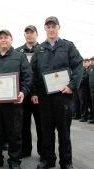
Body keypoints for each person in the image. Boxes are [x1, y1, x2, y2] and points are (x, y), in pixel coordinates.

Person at [31, 16, 83, 169]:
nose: (51, 29)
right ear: (45, 29)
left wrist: (72, 86)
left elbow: (79, 66)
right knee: (46, 130)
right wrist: (34, 92)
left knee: (64, 132)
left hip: (63, 96)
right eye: (48, 27)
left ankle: (66, 162)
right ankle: (48, 159)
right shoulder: (39, 49)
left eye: (54, 26)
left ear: (59, 28)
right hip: (45, 97)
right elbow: (32, 72)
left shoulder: (68, 46)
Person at [0, 29, 32, 169]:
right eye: (0, 37)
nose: (3, 40)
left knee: (14, 132)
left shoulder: (19, 57)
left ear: (11, 40)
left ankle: (14, 161)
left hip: (13, 103)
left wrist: (23, 91)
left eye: (6, 37)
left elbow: (28, 76)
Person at [16, 25, 42, 159]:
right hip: (24, 94)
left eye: (32, 33)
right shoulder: (18, 52)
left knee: (41, 124)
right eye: (27, 33)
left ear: (37, 34)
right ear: (24, 35)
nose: (29, 35)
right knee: (23, 124)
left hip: (39, 94)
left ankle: (44, 152)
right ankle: (25, 150)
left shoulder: (43, 50)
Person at [87, 57, 94, 124]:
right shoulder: (90, 68)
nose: (91, 62)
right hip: (91, 89)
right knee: (92, 104)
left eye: (92, 61)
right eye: (91, 61)